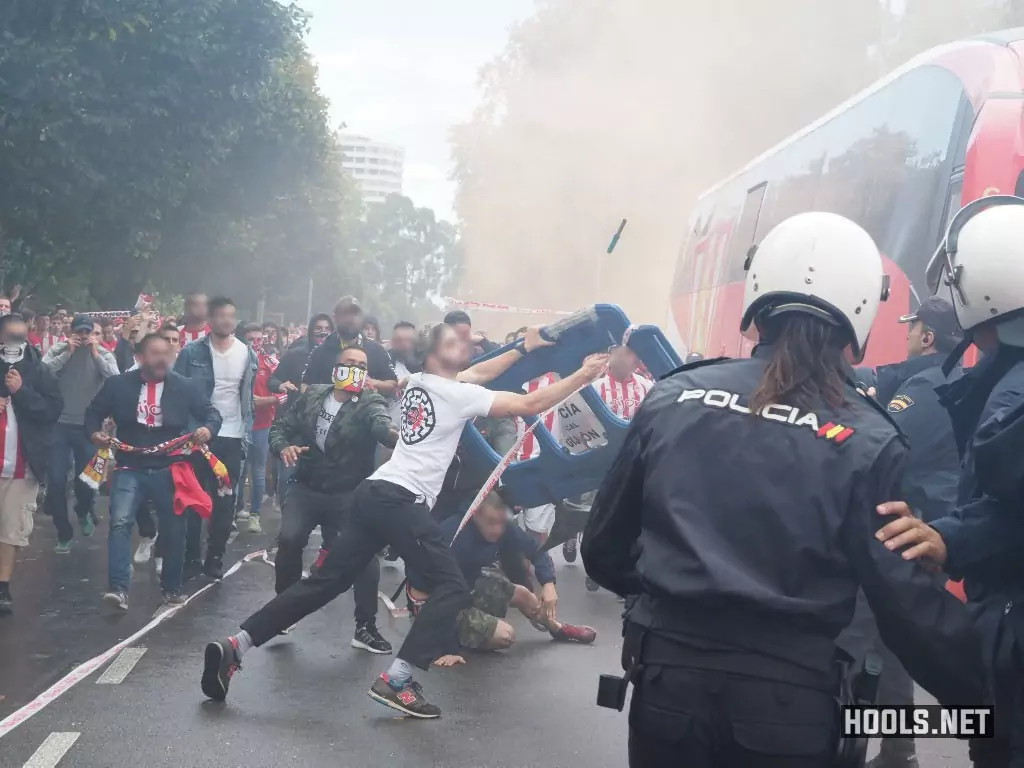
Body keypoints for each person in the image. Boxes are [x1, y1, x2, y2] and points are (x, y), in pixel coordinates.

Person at [582, 211, 986, 767]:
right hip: (791, 706)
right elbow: (903, 606)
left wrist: (679, 593)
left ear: (758, 298)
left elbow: (603, 550)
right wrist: (987, 700)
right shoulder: (869, 437)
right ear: (862, 313)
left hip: (667, 688)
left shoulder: (672, 398)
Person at [201, 323, 608, 718]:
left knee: (324, 583)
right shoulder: (454, 394)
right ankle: (398, 679)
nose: (464, 346)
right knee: (450, 585)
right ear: (434, 352)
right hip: (401, 501)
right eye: (454, 341)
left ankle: (237, 644)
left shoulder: (419, 381)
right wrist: (584, 374)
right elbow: (530, 404)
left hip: (373, 493)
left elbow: (480, 372)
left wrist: (523, 347)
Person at [873, 198, 1024, 767]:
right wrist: (952, 537)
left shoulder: (1011, 390)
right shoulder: (1000, 375)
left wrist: (953, 536)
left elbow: (1009, 481)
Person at [841, 296, 964, 768]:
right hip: (931, 533)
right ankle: (899, 751)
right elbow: (881, 377)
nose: (908, 334)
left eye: (912, 329)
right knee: (892, 645)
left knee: (855, 637)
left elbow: (884, 443)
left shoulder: (927, 387)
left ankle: (843, 748)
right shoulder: (951, 379)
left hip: (906, 535)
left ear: (927, 337)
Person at [271, 342, 397, 653]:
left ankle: (365, 626)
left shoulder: (370, 400)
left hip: (348, 494)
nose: (355, 370)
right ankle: (283, 610)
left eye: (362, 366)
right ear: (335, 370)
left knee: (364, 557)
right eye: (349, 363)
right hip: (307, 486)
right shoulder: (312, 394)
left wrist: (403, 438)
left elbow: (382, 427)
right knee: (289, 538)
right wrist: (283, 447)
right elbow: (279, 428)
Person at [85, 333, 222, 610]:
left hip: (170, 465)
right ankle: (119, 588)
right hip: (129, 465)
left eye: (166, 353)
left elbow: (212, 413)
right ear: (139, 358)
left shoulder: (185, 386)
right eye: (155, 353)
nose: (162, 359)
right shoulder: (117, 385)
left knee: (174, 528)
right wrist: (94, 433)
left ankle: (172, 588)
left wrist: (208, 429)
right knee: (120, 521)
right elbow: (92, 413)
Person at [406, 491, 596, 659]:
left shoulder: (501, 525)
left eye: (500, 522)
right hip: (434, 599)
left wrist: (548, 584)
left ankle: (558, 629)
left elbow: (536, 549)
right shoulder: (456, 538)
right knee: (506, 636)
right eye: (490, 523)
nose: (497, 529)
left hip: (467, 581)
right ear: (475, 517)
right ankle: (441, 637)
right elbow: (443, 592)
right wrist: (449, 650)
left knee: (523, 595)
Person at [174, 297, 256, 579]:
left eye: (231, 316)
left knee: (224, 501)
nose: (227, 321)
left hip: (232, 436)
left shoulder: (247, 353)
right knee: (194, 499)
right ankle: (191, 555)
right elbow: (176, 389)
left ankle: (216, 557)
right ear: (210, 319)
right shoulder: (191, 352)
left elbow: (247, 396)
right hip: (197, 435)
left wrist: (247, 430)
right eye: (221, 315)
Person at [0, 314, 63, 615]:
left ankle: (3, 588)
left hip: (23, 467)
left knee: (12, 530)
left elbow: (52, 410)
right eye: (10, 336)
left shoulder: (39, 370)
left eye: (20, 336)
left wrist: (21, 392)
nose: (15, 342)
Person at [42, 314, 119, 553]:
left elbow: (114, 378)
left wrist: (95, 354)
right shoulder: (59, 349)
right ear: (71, 332)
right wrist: (68, 353)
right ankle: (63, 533)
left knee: (87, 481)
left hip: (88, 427)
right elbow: (43, 372)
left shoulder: (103, 353)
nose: (84, 337)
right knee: (55, 482)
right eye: (80, 332)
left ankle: (83, 509)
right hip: (59, 424)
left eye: (88, 332)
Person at [303, 297, 397, 396]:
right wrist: (326, 395)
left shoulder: (376, 350)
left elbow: (393, 384)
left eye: (356, 314)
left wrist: (373, 382)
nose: (352, 319)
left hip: (366, 409)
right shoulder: (321, 351)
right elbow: (305, 385)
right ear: (335, 317)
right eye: (346, 313)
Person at [235, 323, 276, 532]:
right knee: (238, 470)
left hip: (262, 423)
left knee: (258, 471)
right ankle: (235, 510)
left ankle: (255, 514)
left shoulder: (270, 361)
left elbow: (282, 391)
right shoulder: (235, 359)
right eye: (251, 339)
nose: (255, 343)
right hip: (239, 423)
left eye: (259, 339)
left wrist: (266, 400)